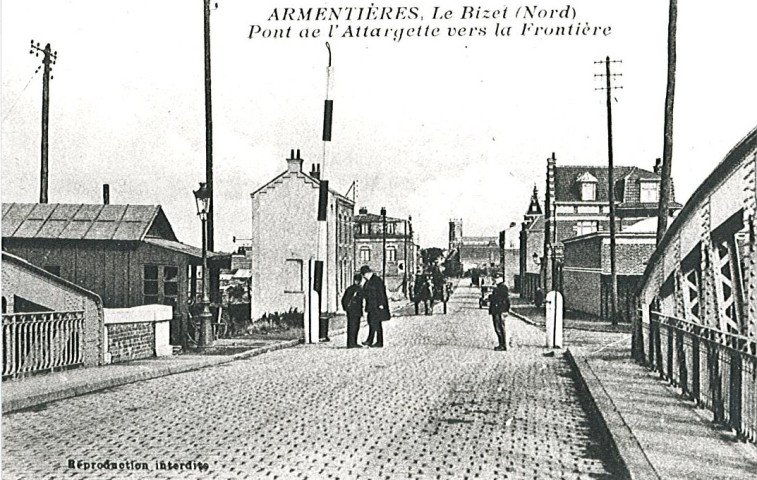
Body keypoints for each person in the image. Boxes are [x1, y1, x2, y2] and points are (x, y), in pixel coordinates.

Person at [360, 265, 390, 348]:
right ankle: (370, 340)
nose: (363, 277)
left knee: (377, 323)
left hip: (377, 306)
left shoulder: (377, 280)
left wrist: (381, 304)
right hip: (371, 306)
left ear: (367, 273)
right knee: (372, 323)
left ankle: (379, 342)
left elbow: (381, 293)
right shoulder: (368, 281)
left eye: (364, 275)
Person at [341, 274, 364, 348]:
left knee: (352, 326)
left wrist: (346, 308)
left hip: (351, 311)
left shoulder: (350, 288)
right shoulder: (358, 289)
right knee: (354, 327)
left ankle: (352, 342)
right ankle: (352, 343)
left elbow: (343, 300)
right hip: (356, 310)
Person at [488, 283, 511, 351]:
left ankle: (502, 345)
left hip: (498, 312)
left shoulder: (499, 291)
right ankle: (503, 344)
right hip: (499, 311)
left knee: (498, 328)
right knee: (501, 328)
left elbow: (493, 299)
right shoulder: (502, 290)